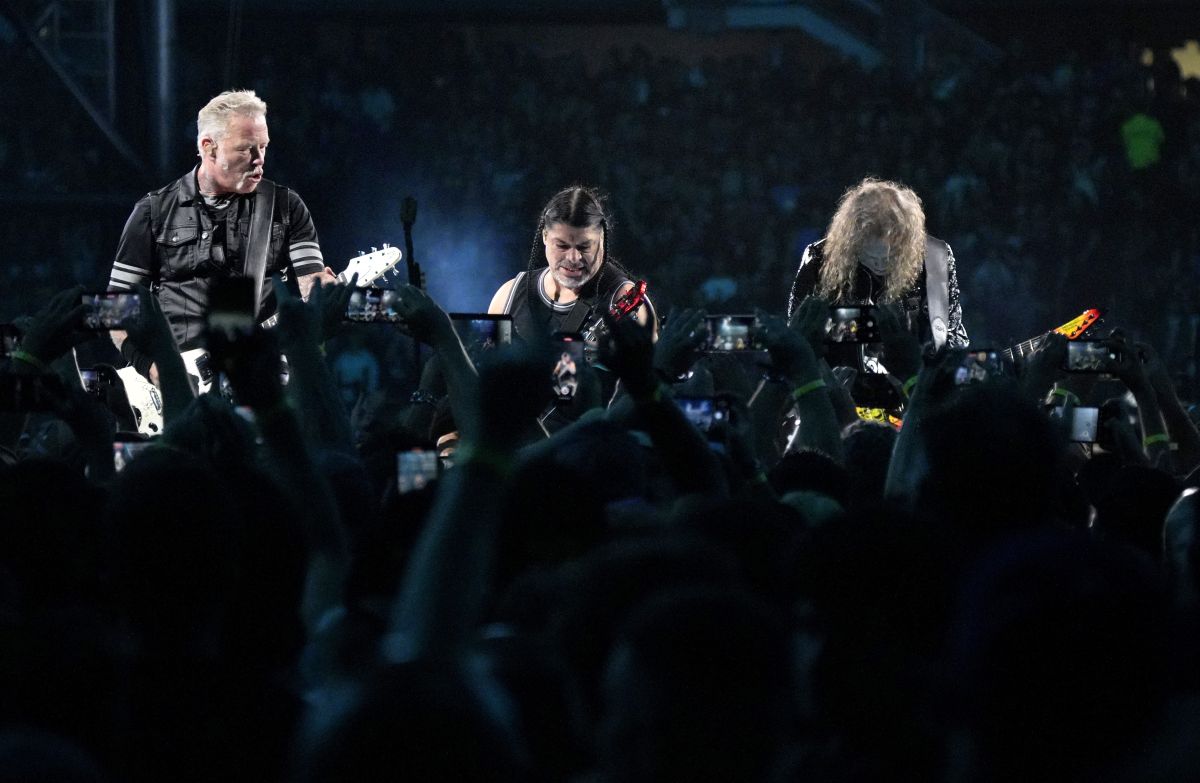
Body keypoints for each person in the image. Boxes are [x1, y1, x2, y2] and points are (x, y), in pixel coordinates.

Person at [107, 90, 333, 383]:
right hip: (177, 384)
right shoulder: (153, 211)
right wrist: (150, 367)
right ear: (208, 147)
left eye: (263, 147)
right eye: (246, 149)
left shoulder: (286, 206)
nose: (259, 159)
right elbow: (112, 309)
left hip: (262, 378)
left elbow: (311, 286)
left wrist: (326, 292)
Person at [787, 177, 967, 350]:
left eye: (890, 257)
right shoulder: (818, 257)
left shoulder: (934, 257)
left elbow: (950, 335)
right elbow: (798, 329)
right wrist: (876, 327)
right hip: (836, 376)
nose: (881, 265)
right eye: (871, 258)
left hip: (914, 375)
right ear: (852, 245)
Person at [488, 186, 655, 341]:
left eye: (584, 246)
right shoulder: (508, 297)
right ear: (545, 236)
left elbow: (651, 371)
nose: (574, 258)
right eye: (562, 245)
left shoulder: (628, 301)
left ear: (602, 239)